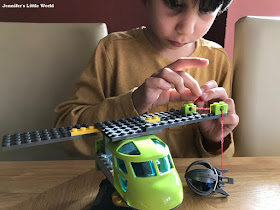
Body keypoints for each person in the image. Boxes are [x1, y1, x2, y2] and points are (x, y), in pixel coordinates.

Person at [54, 0, 239, 158]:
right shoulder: (112, 51)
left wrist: (214, 140)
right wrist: (132, 103)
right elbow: (67, 135)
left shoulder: (218, 60)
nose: (186, 28)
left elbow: (224, 161)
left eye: (205, 10)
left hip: (190, 189)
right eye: (174, 4)